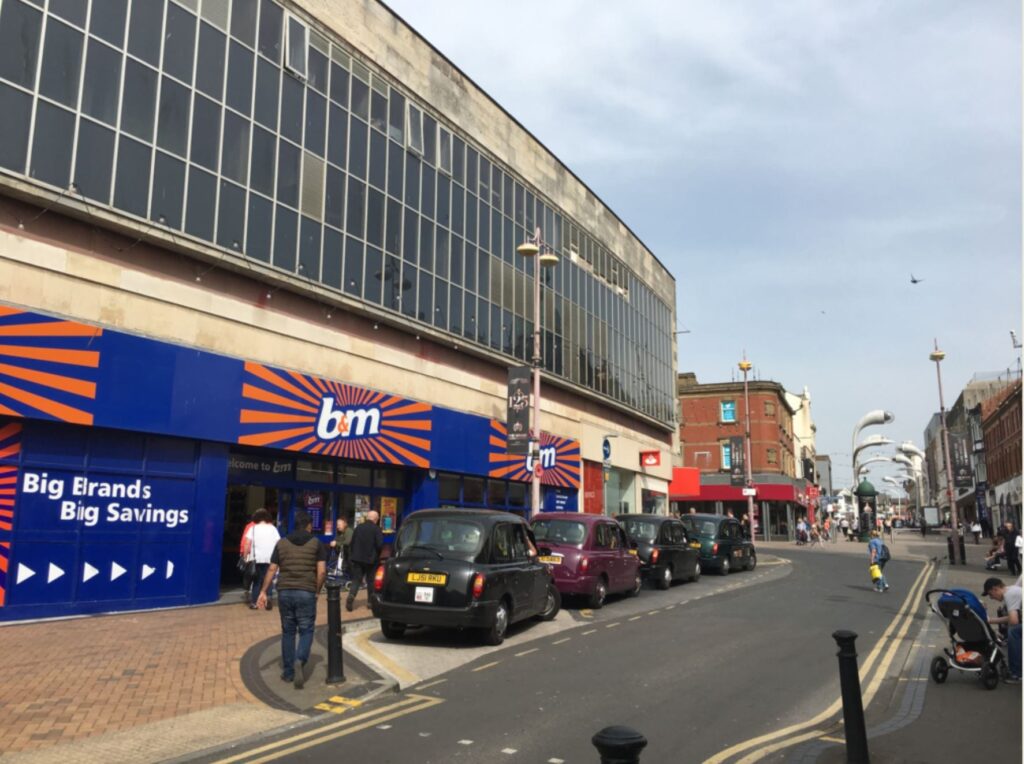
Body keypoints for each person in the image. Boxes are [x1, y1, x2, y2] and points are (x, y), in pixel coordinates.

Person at [256, 510, 327, 689]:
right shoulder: (316, 543)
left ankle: (288, 672)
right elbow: (322, 572)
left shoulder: (281, 543)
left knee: (288, 631)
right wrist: (317, 590)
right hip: (306, 592)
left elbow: (272, 569)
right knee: (306, 629)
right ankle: (300, 659)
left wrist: (263, 591)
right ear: (309, 526)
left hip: (285, 592)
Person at [982, 577, 1021, 684]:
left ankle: (1016, 674)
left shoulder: (1009, 595)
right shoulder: (1012, 590)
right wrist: (990, 620)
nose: (991, 598)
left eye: (991, 594)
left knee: (1013, 632)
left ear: (995, 589)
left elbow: (1013, 621)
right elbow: (1014, 618)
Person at [347, 511, 383, 612]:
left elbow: (352, 543)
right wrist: (377, 554)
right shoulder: (376, 529)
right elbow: (380, 545)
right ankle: (370, 602)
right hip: (371, 560)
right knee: (371, 581)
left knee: (356, 580)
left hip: (357, 558)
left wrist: (352, 556)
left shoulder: (358, 528)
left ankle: (351, 596)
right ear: (376, 519)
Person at [244, 508, 280, 610]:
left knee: (257, 581)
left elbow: (247, 544)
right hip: (270, 559)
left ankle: (255, 603)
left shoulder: (253, 528)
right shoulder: (273, 528)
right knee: (268, 580)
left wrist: (245, 557)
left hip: (256, 559)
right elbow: (278, 543)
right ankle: (267, 602)